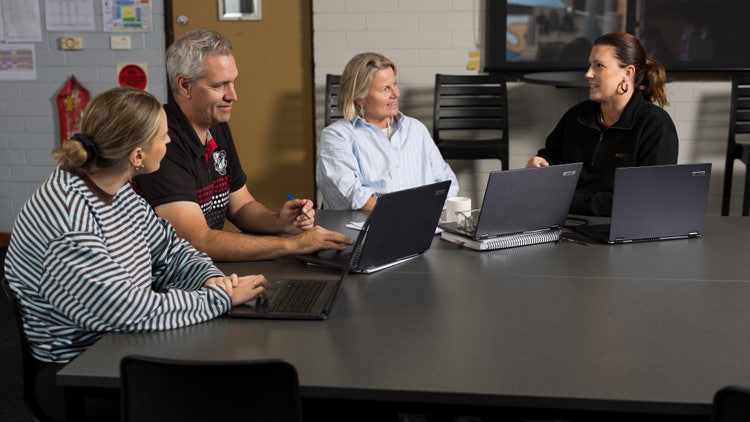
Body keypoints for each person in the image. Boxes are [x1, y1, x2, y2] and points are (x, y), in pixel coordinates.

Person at [3, 87, 268, 420]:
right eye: (164, 136)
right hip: (81, 369)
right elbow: (127, 310)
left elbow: (170, 249)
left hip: (122, 342)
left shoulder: (115, 189)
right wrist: (220, 300)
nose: (170, 142)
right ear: (138, 155)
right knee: (230, 393)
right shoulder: (69, 220)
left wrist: (213, 279)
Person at [132, 29, 352, 261]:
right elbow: (198, 241)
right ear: (185, 85)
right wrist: (293, 244)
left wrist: (279, 222)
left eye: (233, 82)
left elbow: (241, 206)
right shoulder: (161, 142)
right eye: (219, 86)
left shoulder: (214, 124)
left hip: (204, 270)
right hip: (172, 281)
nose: (233, 95)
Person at [526, 32, 678, 216]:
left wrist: (567, 201)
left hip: (622, 229)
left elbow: (646, 198)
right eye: (590, 65)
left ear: (627, 73)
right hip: (568, 223)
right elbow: (551, 156)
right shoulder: (576, 116)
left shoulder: (656, 125)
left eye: (599, 66)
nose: (588, 74)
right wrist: (540, 164)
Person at [317, 52, 459, 211]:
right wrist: (406, 215)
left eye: (395, 84)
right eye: (385, 89)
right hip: (366, 230)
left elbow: (447, 182)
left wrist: (429, 215)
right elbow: (353, 196)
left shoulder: (416, 129)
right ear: (359, 98)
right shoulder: (337, 136)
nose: (396, 94)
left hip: (422, 225)